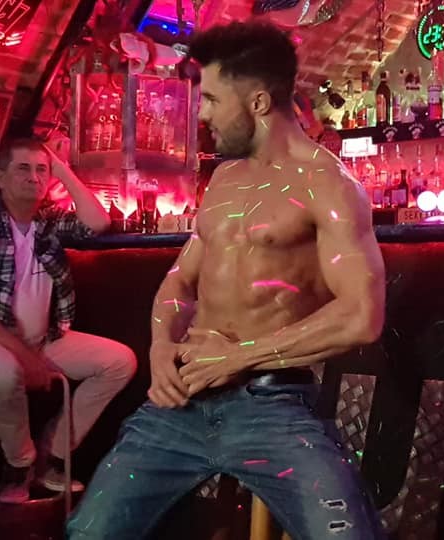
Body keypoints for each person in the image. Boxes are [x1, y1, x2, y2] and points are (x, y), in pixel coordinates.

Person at [68, 21, 387, 540]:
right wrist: (159, 348)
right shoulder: (223, 178)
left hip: (271, 406)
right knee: (90, 532)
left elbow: (361, 316)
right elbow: (179, 281)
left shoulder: (328, 185)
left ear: (258, 102)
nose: (202, 114)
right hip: (181, 403)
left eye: (213, 99)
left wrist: (238, 357)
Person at [0, 138, 137, 504]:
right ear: (0, 178)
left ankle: (52, 455)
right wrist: (23, 355)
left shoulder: (49, 221)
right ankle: (19, 465)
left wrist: (62, 169)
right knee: (3, 370)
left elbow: (98, 222)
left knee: (119, 361)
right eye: (23, 169)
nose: (34, 177)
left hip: (42, 339)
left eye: (41, 169)